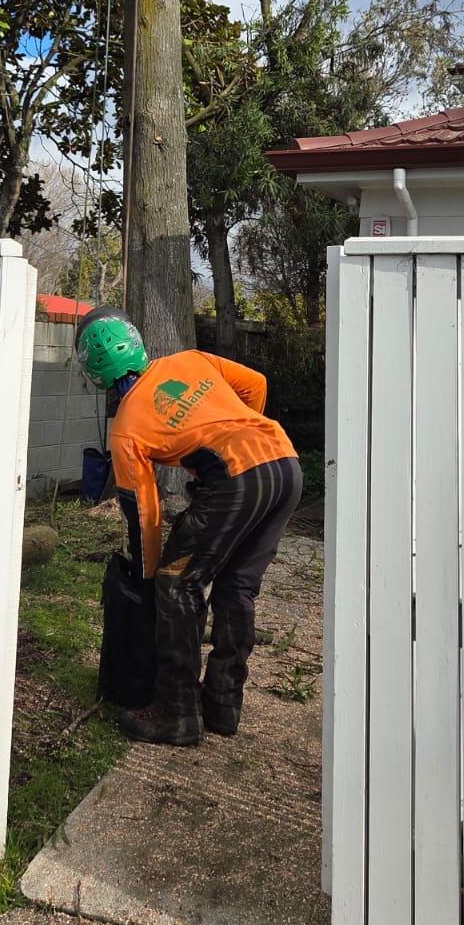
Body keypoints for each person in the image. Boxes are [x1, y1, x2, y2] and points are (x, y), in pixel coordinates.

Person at [76, 305, 303, 747]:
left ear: (95, 371)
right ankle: (222, 705)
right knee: (237, 587)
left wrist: (147, 579)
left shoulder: (125, 430)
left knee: (176, 584)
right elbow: (256, 385)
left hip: (237, 480)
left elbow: (145, 515)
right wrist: (241, 435)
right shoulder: (189, 360)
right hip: (284, 462)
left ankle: (176, 712)